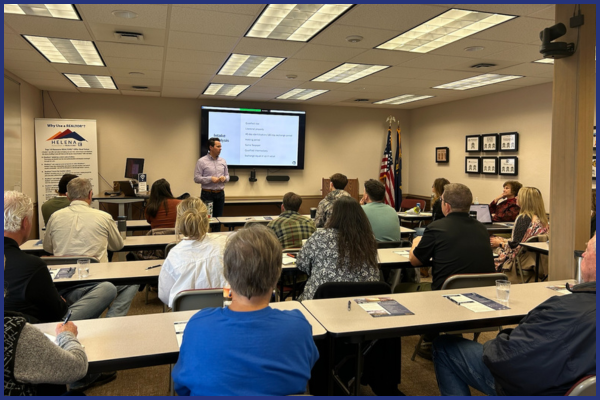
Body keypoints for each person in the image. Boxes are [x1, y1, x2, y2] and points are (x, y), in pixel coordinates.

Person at [433, 234, 596, 396]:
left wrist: (497, 341)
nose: (582, 255)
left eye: (586, 251)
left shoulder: (563, 310)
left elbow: (506, 356)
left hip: (535, 389)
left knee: (444, 347)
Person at [172, 224, 319, 396]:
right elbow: (306, 371)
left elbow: (182, 387)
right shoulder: (298, 327)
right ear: (277, 274)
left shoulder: (198, 325)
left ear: (226, 273)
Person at [409, 183, 495, 360]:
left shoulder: (436, 227)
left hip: (445, 296)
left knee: (407, 288)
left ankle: (429, 338)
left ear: (446, 205)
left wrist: (416, 242)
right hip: (483, 296)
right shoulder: (481, 228)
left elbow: (415, 261)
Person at [4, 191, 117, 323]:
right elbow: (57, 313)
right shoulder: (31, 265)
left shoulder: (54, 217)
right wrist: (59, 300)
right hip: (35, 330)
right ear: (25, 223)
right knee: (107, 289)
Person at [43, 178, 139, 318]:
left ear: (68, 196)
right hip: (99, 283)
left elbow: (48, 248)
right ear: (90, 195)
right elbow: (118, 246)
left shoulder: (55, 217)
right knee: (133, 280)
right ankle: (113, 319)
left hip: (63, 286)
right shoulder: (104, 217)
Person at [298, 196, 380, 300]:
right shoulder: (369, 239)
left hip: (321, 303)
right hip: (362, 301)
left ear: (334, 215)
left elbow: (301, 264)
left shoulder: (320, 236)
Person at [158, 197, 228, 308]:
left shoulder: (174, 255)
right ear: (207, 218)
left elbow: (164, 296)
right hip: (224, 316)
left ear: (179, 222)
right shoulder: (225, 245)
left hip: (186, 321)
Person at [491, 187, 550, 272]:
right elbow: (524, 241)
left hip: (519, 259)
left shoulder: (523, 218)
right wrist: (504, 240)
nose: (515, 198)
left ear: (525, 200)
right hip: (536, 259)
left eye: (518, 196)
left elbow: (515, 247)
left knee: (488, 247)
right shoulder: (542, 220)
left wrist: (500, 243)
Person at [194, 137, 229, 229]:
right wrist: (210, 179)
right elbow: (196, 178)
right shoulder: (202, 161)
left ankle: (216, 240)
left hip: (220, 194)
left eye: (220, 146)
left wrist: (224, 178)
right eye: (218, 146)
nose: (220, 148)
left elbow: (228, 177)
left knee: (218, 220)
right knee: (206, 220)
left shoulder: (223, 161)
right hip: (207, 194)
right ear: (211, 147)